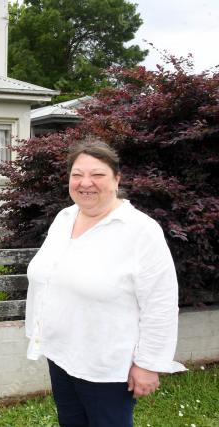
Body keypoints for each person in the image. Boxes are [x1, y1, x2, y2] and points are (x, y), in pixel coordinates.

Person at [25, 137, 186, 427]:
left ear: (117, 179)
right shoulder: (65, 218)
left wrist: (148, 364)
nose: (85, 183)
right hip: (61, 353)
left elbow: (160, 303)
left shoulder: (140, 230)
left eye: (97, 174)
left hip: (106, 366)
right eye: (77, 174)